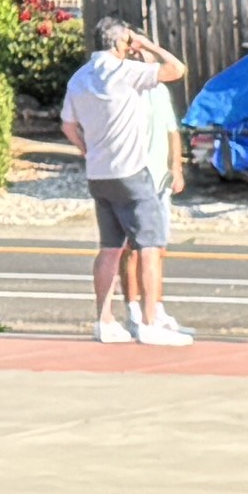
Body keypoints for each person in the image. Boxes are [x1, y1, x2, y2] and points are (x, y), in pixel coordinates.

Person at [72, 22, 192, 344]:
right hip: (132, 172)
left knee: (110, 248)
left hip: (99, 174)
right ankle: (150, 324)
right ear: (122, 41)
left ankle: (105, 320)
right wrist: (148, 45)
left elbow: (68, 126)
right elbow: (177, 69)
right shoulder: (124, 72)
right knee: (150, 246)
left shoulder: (79, 78)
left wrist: (87, 150)